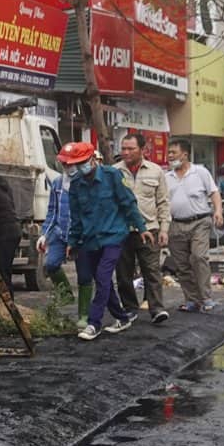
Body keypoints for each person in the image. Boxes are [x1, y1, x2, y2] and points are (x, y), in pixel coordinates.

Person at [59, 141, 146, 341]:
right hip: (90, 239)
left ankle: (94, 323)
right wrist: (72, 241)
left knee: (103, 276)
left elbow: (128, 203)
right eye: (73, 164)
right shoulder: (76, 186)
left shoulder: (112, 176)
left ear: (92, 159)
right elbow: (77, 217)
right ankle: (122, 317)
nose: (77, 168)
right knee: (101, 279)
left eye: (80, 163)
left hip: (114, 235)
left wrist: (141, 228)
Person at [112, 132, 171, 323]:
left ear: (142, 150)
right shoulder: (114, 172)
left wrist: (164, 229)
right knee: (123, 273)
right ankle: (130, 308)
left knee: (152, 270)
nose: (126, 152)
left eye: (131, 149)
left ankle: (157, 309)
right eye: (124, 149)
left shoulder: (155, 171)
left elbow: (163, 202)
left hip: (150, 228)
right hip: (122, 231)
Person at [166, 143, 223, 313]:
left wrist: (218, 211)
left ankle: (206, 298)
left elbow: (214, 192)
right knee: (181, 265)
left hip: (200, 222)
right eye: (168, 152)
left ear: (184, 155)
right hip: (175, 224)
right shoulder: (166, 177)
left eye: (173, 152)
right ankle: (191, 300)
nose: (169, 156)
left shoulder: (200, 172)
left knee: (199, 257)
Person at [37, 165, 72, 294]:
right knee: (50, 264)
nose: (68, 167)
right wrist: (44, 235)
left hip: (79, 235)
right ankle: (65, 294)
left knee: (86, 274)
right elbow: (52, 210)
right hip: (60, 232)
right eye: (65, 163)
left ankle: (87, 308)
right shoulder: (57, 183)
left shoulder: (84, 182)